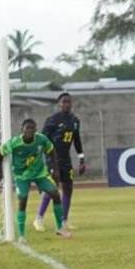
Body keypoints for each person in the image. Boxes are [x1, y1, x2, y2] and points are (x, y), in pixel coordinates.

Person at [0, 119, 71, 241]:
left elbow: (51, 151)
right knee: (23, 200)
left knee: (55, 194)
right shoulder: (15, 143)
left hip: (39, 173)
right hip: (21, 176)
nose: (30, 131)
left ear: (36, 130)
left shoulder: (41, 139)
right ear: (22, 129)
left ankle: (60, 228)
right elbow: (1, 153)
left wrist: (55, 170)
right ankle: (21, 235)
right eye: (27, 128)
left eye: (32, 128)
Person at [34, 92, 86, 232]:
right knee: (52, 189)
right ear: (59, 104)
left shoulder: (75, 120)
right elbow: (42, 139)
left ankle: (64, 220)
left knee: (68, 188)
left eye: (69, 102)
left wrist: (81, 158)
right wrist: (40, 158)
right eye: (64, 102)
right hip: (53, 159)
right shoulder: (53, 120)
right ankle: (39, 218)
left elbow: (77, 140)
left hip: (66, 159)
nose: (67, 104)